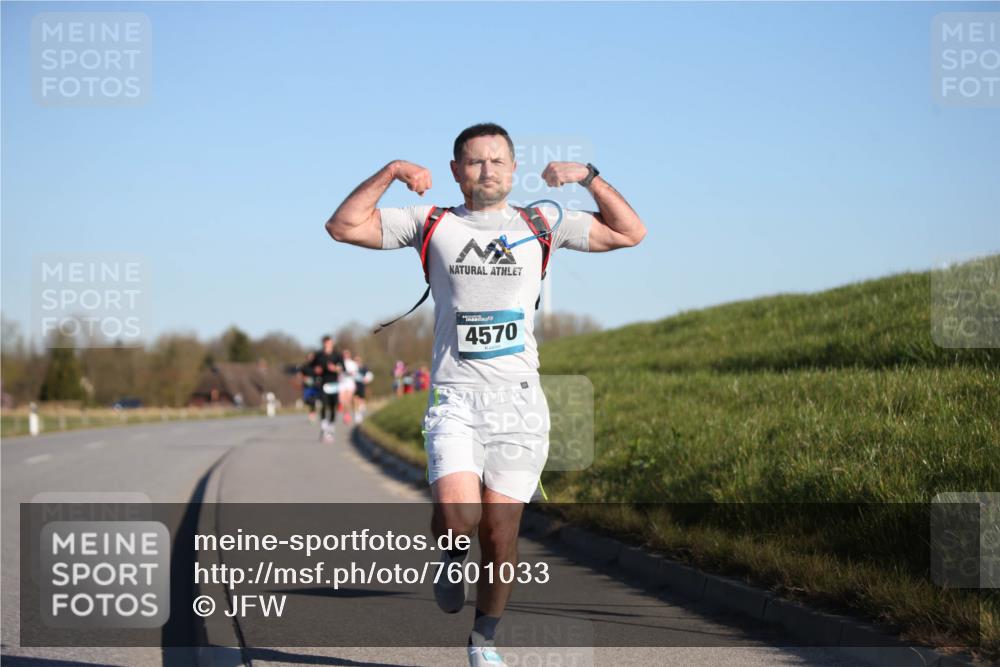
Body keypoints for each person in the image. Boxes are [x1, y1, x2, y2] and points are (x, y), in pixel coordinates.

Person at [324, 123, 645, 666]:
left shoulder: (542, 223)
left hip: (519, 405)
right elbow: (342, 225)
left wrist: (589, 178)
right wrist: (393, 171)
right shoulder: (432, 223)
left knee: (500, 533)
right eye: (474, 162)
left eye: (497, 161)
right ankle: (450, 556)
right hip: (455, 399)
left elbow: (630, 232)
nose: (487, 170)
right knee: (458, 516)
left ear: (513, 169)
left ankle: (483, 640)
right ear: (456, 171)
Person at [313, 335, 343, 442]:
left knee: (333, 406)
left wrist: (335, 368)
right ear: (323, 343)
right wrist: (316, 370)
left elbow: (342, 368)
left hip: (334, 383)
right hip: (323, 383)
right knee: (324, 405)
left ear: (332, 343)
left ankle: (331, 428)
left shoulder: (337, 355)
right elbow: (312, 367)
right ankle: (323, 428)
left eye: (329, 343)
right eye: (326, 343)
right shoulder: (319, 355)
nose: (328, 345)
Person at [339, 349, 358, 424]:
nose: (345, 355)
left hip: (350, 383)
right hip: (341, 383)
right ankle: (345, 413)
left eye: (347, 354)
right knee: (342, 400)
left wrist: (349, 373)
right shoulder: (340, 363)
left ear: (349, 355)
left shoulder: (352, 363)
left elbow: (354, 373)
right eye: (344, 354)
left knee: (348, 400)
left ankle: (347, 415)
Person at [299, 350, 320, 422]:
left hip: (315, 386)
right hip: (307, 386)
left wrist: (318, 380)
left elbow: (320, 374)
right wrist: (304, 378)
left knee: (313, 400)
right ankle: (312, 412)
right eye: (309, 357)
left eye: (312, 357)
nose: (311, 358)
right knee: (308, 400)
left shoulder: (317, 366)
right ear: (307, 358)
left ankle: (312, 414)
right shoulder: (304, 366)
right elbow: (301, 375)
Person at [353, 356, 373, 423]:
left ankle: (361, 410)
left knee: (361, 399)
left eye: (358, 360)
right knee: (355, 399)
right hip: (354, 385)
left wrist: (367, 379)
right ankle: (357, 414)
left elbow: (369, 375)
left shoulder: (364, 368)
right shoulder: (353, 367)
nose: (357, 361)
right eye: (356, 360)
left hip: (361, 385)